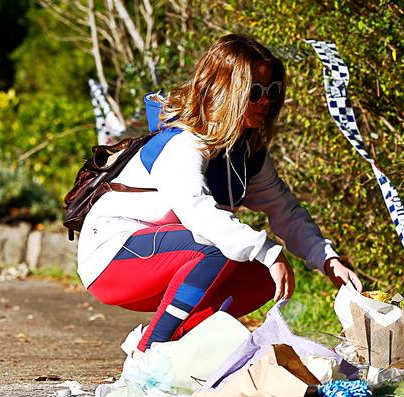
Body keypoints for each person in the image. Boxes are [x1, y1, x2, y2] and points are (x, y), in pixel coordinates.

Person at [77, 34, 362, 352]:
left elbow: (286, 211)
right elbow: (200, 216)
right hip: (113, 258)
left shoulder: (247, 152)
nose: (265, 101)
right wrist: (269, 250)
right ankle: (150, 352)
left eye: (272, 91)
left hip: (166, 259)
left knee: (264, 278)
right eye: (255, 92)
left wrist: (327, 259)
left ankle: (179, 348)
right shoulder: (182, 144)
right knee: (218, 246)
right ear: (224, 92)